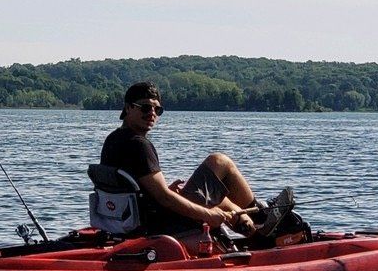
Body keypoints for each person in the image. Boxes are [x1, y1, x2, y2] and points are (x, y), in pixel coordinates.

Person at [99, 81, 293, 236]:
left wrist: (168, 192)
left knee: (214, 192)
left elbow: (149, 191)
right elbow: (165, 199)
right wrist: (208, 214)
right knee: (219, 162)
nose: (151, 114)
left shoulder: (113, 140)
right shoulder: (139, 144)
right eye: (144, 108)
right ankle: (261, 217)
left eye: (157, 110)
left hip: (138, 219)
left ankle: (254, 230)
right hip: (161, 225)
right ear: (128, 108)